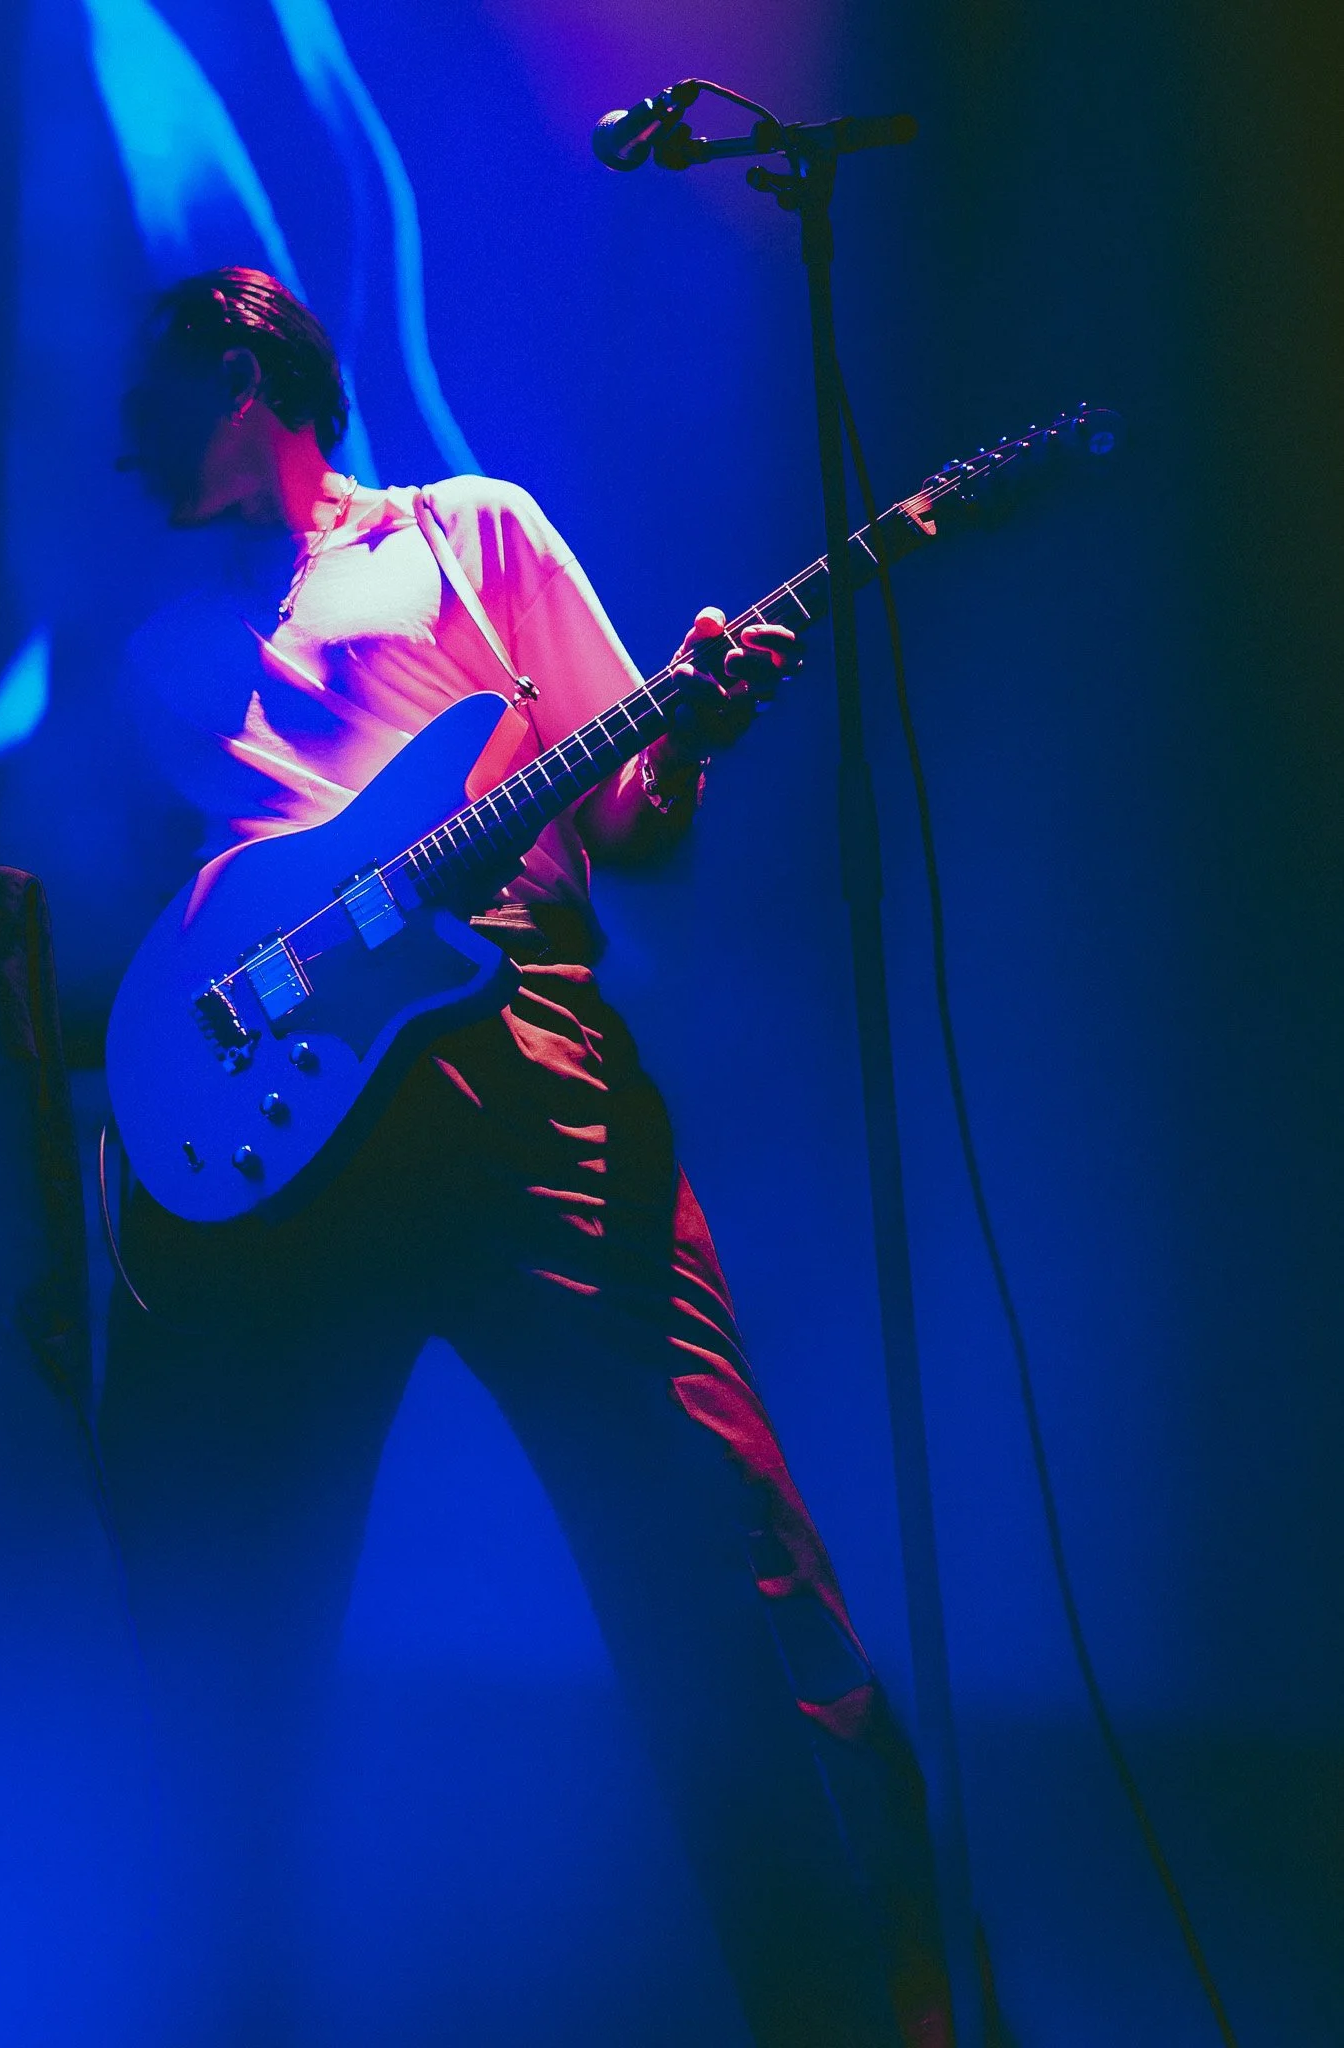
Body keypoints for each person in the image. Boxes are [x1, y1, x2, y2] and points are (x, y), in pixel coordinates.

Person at [102, 267, 951, 2048]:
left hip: (514, 1069)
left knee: (725, 1559)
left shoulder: (468, 536)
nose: (120, 437)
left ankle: (874, 2019)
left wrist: (695, 732)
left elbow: (627, 819)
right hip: (278, 1144)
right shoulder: (154, 645)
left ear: (242, 370)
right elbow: (191, 902)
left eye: (151, 395)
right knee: (226, 1612)